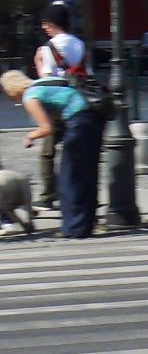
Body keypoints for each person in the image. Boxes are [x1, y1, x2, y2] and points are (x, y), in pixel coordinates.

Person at [3, 69, 102, 240]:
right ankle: (88, 224)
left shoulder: (30, 97)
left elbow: (46, 128)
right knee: (87, 176)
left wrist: (30, 136)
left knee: (69, 180)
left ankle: (74, 229)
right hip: (93, 117)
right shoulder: (43, 82)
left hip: (78, 123)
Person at [32, 2, 86, 212]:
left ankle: (48, 194)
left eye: (45, 22)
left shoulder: (48, 48)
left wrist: (38, 63)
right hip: (79, 103)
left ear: (53, 23)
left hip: (57, 107)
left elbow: (47, 82)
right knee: (78, 152)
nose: (44, 27)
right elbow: (85, 73)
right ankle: (82, 193)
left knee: (48, 153)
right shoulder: (80, 44)